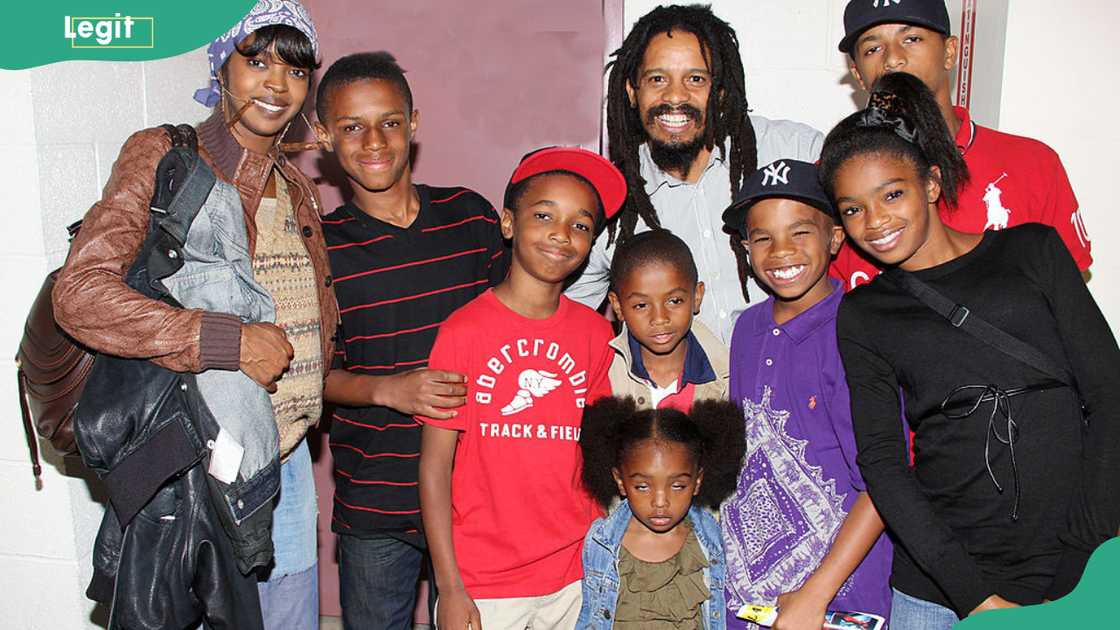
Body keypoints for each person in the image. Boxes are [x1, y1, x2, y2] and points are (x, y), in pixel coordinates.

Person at [52, 1, 337, 628]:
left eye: (293, 69)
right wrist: (225, 341)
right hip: (195, 457)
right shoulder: (165, 155)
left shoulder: (296, 186)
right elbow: (81, 294)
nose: (274, 83)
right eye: (256, 61)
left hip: (283, 459)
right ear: (221, 65)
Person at [821, 72, 1120, 628]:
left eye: (892, 193)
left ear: (931, 183)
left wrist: (1081, 562)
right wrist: (974, 597)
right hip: (938, 591)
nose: (876, 221)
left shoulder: (1034, 251)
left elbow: (1109, 396)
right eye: (853, 209)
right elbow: (884, 464)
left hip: (1077, 569)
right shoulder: (865, 313)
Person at [314, 51, 508, 629]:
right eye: (351, 126)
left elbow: (517, 331)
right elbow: (307, 380)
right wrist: (388, 390)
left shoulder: (469, 218)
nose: (373, 140)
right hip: (376, 500)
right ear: (324, 136)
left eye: (389, 122)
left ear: (413, 123)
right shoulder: (319, 247)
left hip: (477, 497)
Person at [418, 147, 626, 629]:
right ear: (508, 224)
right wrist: (449, 586)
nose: (562, 234)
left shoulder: (597, 336)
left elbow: (599, 455)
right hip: (484, 584)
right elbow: (434, 466)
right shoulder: (462, 332)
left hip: (574, 577)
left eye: (580, 224)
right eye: (544, 215)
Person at [567, 4, 824, 341]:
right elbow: (563, 324)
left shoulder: (795, 152)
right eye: (657, 79)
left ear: (719, 90)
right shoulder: (611, 202)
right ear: (632, 91)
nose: (675, 96)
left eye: (696, 78)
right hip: (675, 394)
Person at [718, 159, 892, 629]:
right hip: (751, 594)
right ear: (744, 248)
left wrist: (815, 596)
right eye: (762, 238)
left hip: (838, 598)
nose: (781, 252)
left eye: (800, 233)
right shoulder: (747, 329)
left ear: (835, 237)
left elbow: (883, 484)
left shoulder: (859, 333)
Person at [831, 0, 1092, 290]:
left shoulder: (1031, 163)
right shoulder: (835, 180)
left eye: (912, 39)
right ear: (857, 74)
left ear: (950, 52)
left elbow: (1067, 295)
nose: (893, 59)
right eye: (873, 48)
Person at [576, 396, 745, 629]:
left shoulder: (713, 542)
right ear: (621, 481)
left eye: (677, 486)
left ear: (697, 481)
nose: (660, 502)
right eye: (643, 486)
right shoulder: (601, 542)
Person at [606, 229, 729, 410]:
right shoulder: (604, 374)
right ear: (618, 306)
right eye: (641, 305)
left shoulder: (729, 374)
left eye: (674, 301)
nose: (660, 318)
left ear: (696, 297)